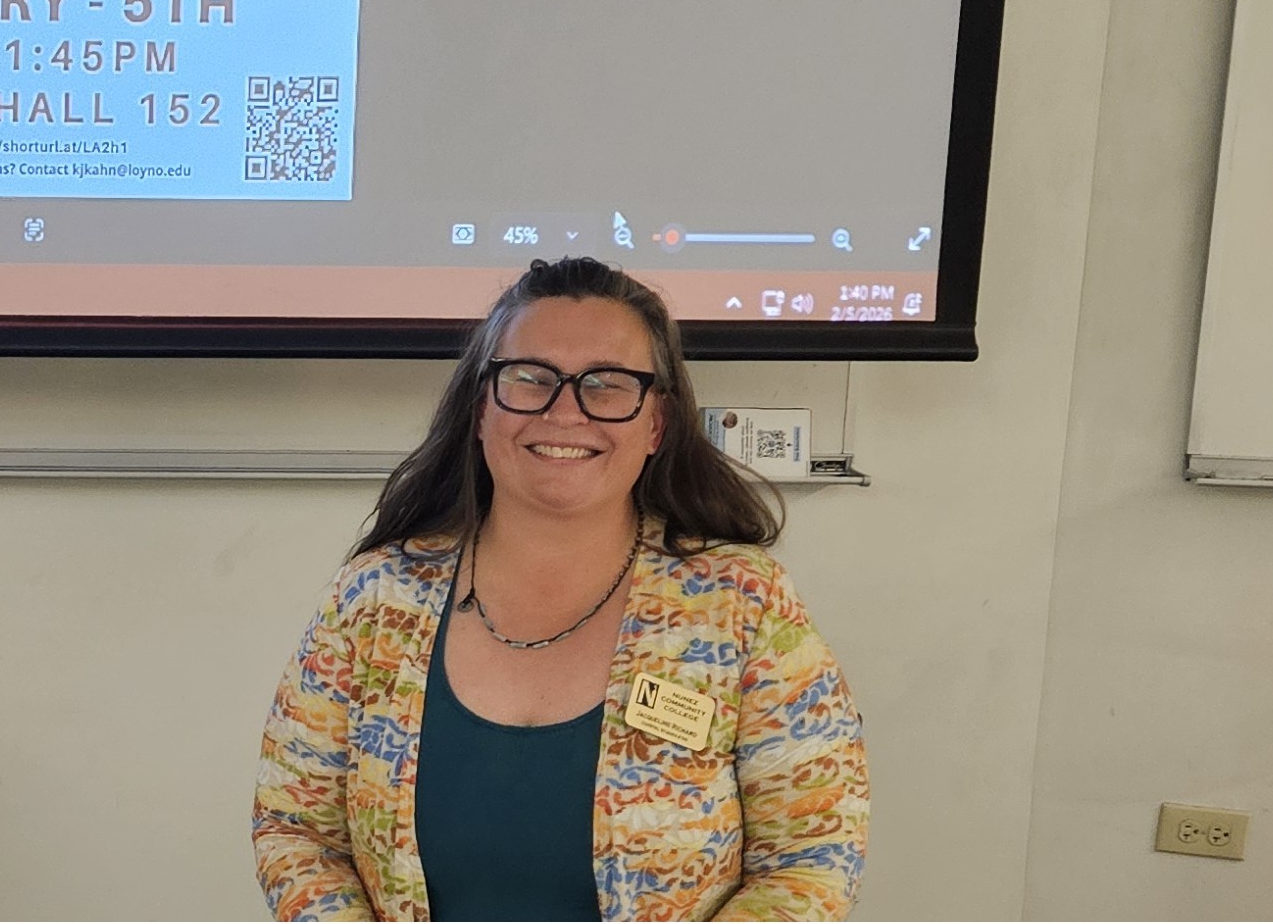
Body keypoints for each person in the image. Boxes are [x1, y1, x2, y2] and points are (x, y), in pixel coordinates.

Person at [252, 257, 868, 920]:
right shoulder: (375, 598)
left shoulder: (743, 603)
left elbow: (814, 854)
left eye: (607, 384)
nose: (565, 411)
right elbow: (296, 830)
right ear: (481, 409)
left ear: (656, 423)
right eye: (530, 377)